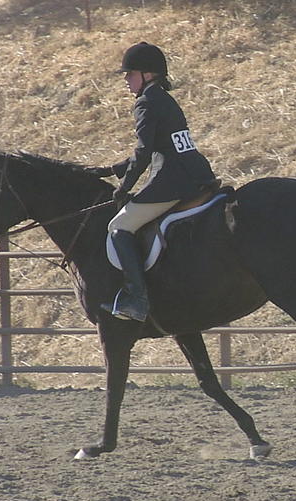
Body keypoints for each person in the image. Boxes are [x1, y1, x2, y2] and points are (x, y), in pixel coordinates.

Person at [91, 42, 217, 322]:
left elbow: (144, 151)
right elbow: (163, 146)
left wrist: (124, 187)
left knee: (119, 226)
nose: (126, 79)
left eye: (130, 73)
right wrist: (113, 169)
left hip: (171, 182)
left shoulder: (146, 102)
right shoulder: (164, 99)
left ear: (147, 74)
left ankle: (137, 298)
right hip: (195, 174)